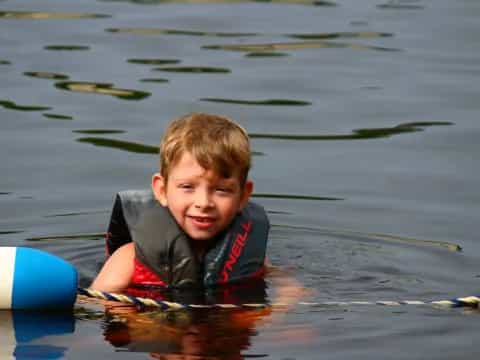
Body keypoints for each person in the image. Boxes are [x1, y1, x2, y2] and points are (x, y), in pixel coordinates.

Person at [90, 112, 270, 296]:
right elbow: (96, 302)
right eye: (187, 187)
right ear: (161, 190)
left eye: (221, 190)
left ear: (243, 196)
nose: (204, 203)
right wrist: (139, 321)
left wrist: (280, 310)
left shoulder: (245, 252)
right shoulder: (129, 258)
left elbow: (284, 283)